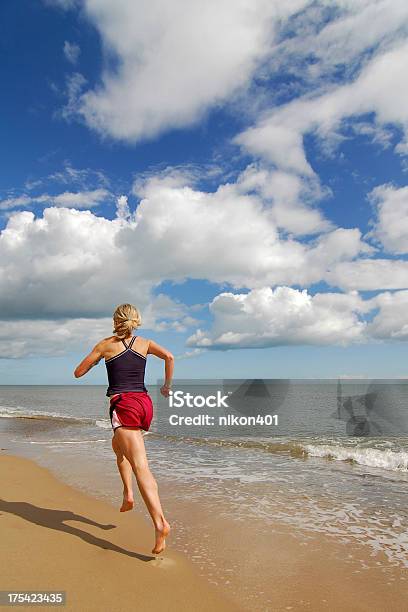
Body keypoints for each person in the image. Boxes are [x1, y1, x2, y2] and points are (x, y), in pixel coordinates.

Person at [73, 303, 174, 555]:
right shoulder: (145, 343)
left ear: (116, 320)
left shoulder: (105, 345)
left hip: (124, 405)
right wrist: (166, 387)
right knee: (118, 448)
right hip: (144, 404)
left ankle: (160, 523)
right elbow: (170, 357)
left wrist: (98, 360)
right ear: (136, 320)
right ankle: (128, 494)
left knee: (141, 466)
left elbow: (78, 372)